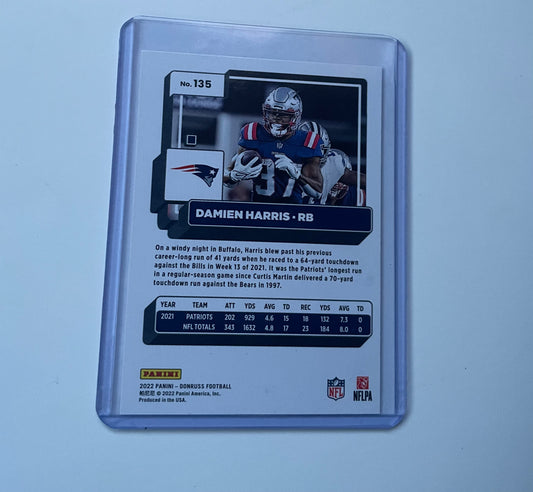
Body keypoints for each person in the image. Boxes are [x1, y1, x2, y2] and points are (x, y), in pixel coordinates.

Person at [224, 87, 323, 203]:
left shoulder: (308, 141)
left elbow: (317, 192)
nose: (276, 119)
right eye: (272, 113)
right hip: (259, 209)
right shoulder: (252, 133)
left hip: (292, 210)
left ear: (296, 117)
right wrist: (234, 176)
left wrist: (297, 174)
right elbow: (227, 180)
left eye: (283, 115)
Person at [298, 121, 366, 206]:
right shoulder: (285, 165)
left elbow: (362, 180)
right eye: (306, 151)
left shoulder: (334, 163)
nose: (313, 156)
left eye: (318, 151)